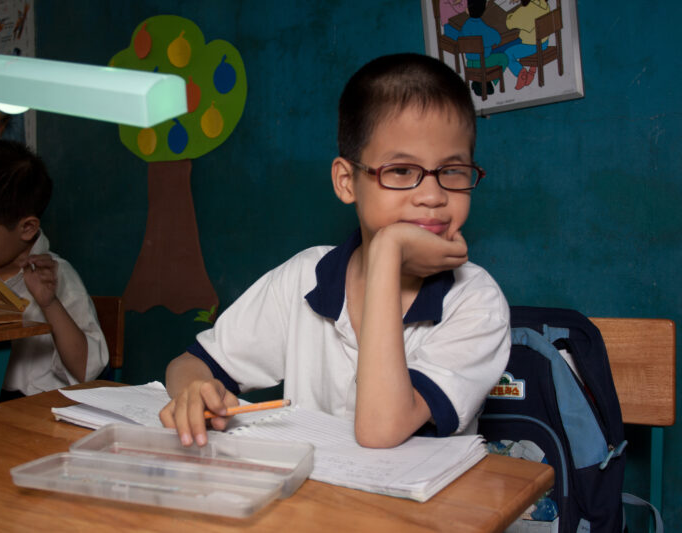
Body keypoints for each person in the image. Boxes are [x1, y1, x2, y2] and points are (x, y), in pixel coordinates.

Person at [160, 53, 510, 449]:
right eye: (400, 171)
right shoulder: (304, 278)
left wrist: (387, 251)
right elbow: (190, 363)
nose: (432, 195)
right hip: (317, 502)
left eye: (451, 171)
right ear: (346, 182)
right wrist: (194, 391)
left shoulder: (477, 302)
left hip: (423, 510)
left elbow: (381, 430)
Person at [0, 139, 108, 399]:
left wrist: (50, 303)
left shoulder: (57, 276)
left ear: (27, 229)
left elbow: (86, 370)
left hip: (33, 407)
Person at [458, 0, 509, 96]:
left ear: (467, 10)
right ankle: (488, 81)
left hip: (469, 63)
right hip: (483, 63)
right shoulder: (484, 28)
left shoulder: (465, 26)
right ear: (485, 9)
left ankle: (481, 82)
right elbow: (497, 38)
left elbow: (459, 40)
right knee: (504, 58)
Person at [504, 0, 550, 89]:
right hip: (544, 42)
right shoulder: (543, 4)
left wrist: (510, 15)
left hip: (532, 45)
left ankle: (522, 73)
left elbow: (509, 23)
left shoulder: (527, 10)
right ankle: (532, 71)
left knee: (508, 53)